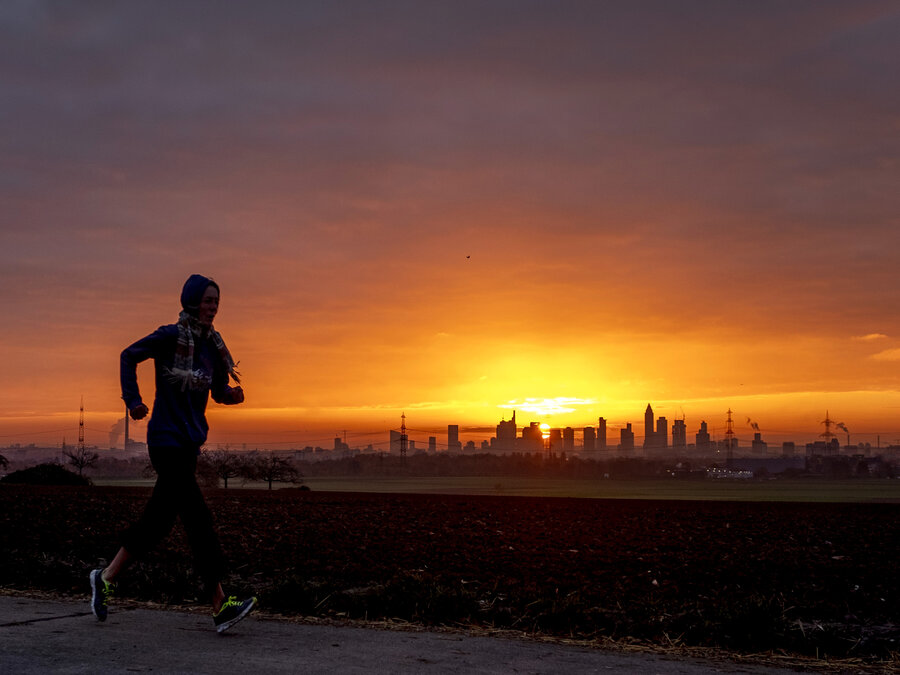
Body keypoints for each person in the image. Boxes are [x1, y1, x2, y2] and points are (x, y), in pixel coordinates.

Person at [90, 274, 256, 633]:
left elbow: (217, 391)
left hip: (189, 443)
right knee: (198, 519)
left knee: (157, 523)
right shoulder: (169, 336)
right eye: (208, 300)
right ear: (192, 301)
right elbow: (128, 356)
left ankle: (105, 578)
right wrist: (133, 401)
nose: (213, 307)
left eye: (217, 301)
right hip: (165, 442)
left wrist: (232, 396)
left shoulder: (213, 347)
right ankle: (220, 604)